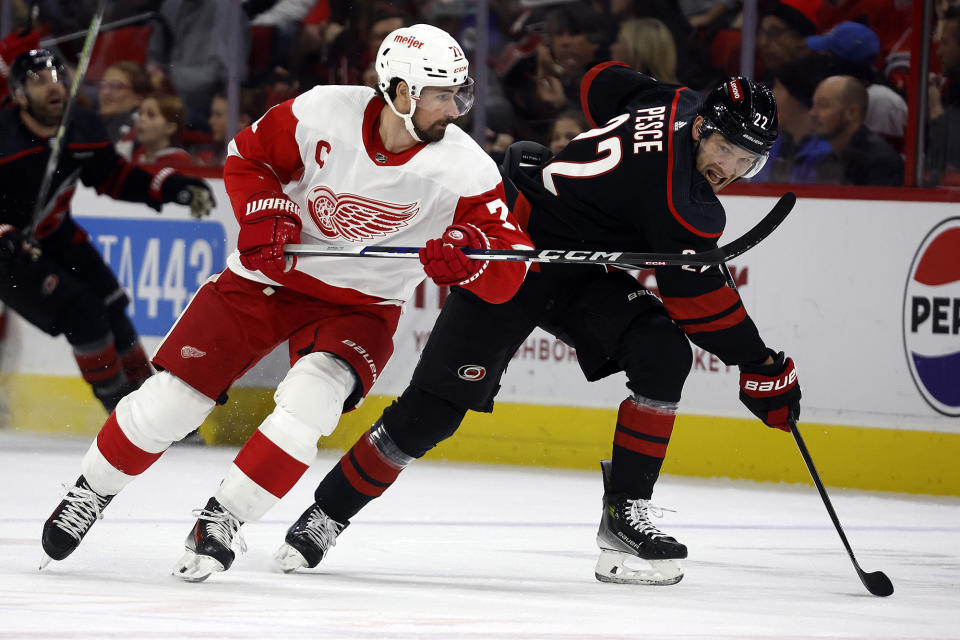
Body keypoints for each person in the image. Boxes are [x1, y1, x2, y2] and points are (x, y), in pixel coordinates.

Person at [272, 65, 803, 586]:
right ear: (703, 129)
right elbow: (701, 306)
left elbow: (600, 81)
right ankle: (326, 514)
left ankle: (625, 516)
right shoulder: (680, 201)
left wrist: (590, 174)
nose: (728, 169)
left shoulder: (677, 103)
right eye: (724, 150)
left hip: (579, 269)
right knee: (431, 411)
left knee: (662, 352)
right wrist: (760, 365)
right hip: (513, 253)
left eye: (746, 160)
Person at [39, 24, 532, 582]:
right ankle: (90, 492)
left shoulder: (466, 168)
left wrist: (474, 256)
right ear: (399, 93)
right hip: (269, 279)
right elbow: (247, 157)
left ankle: (223, 518)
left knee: (309, 407)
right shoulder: (323, 112)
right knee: (173, 402)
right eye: (443, 95)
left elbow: (507, 267)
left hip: (363, 304)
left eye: (459, 94)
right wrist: (264, 209)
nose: (455, 109)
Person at [0, 49, 214, 413]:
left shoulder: (80, 125)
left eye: (57, 78)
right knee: (84, 313)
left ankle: (151, 409)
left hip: (57, 237)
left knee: (113, 311)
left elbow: (112, 175)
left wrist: (171, 185)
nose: (53, 88)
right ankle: (120, 412)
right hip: (7, 254)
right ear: (19, 95)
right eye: (39, 82)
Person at [808, 74, 904, 185]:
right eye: (813, 105)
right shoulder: (824, 156)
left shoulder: (881, 164)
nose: (812, 113)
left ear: (852, 113)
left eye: (823, 105)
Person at [97, 61, 151, 158]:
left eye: (116, 86)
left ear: (138, 99)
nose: (105, 92)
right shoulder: (93, 124)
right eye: (102, 85)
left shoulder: (141, 133)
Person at [131, 94, 195, 167]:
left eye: (151, 115)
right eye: (140, 113)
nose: (141, 119)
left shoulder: (180, 161)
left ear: (170, 127)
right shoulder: (137, 154)